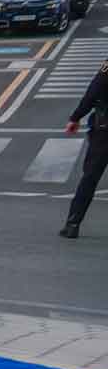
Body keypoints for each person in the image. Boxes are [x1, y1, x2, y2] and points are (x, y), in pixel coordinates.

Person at [61, 60, 108, 238]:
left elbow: (93, 92)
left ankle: (73, 224)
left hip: (104, 132)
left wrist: (76, 117)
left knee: (90, 177)